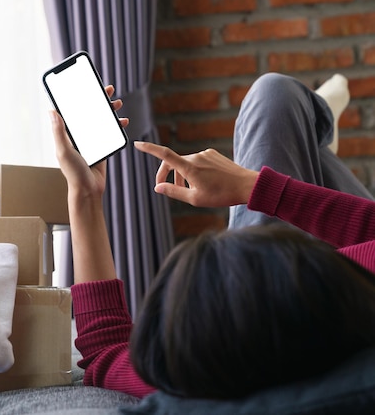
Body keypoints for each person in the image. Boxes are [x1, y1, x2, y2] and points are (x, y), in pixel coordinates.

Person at [49, 73, 375, 400]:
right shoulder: (338, 289)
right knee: (274, 94)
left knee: (274, 96)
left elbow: (104, 355)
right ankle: (311, 148)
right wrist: (252, 186)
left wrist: (84, 194)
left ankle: (310, 150)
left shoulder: (206, 367)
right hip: (343, 257)